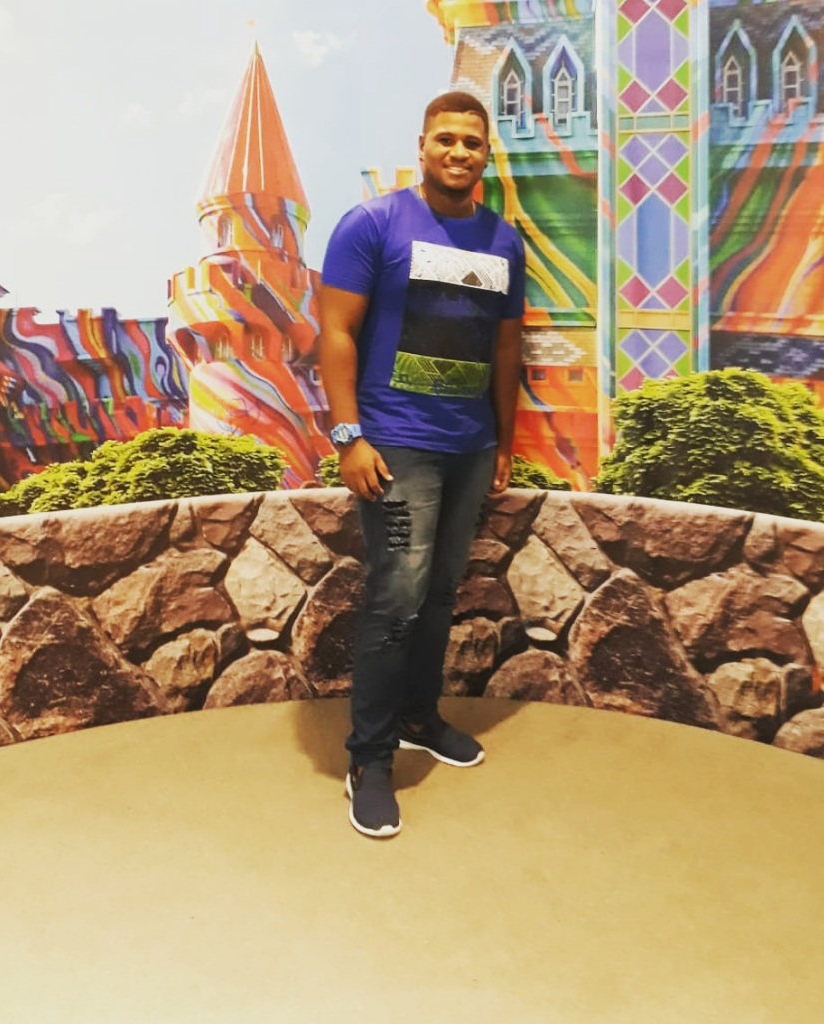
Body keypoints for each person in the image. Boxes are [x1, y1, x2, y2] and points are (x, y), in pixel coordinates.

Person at [318, 91, 525, 838]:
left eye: (472, 141)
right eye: (446, 138)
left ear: (486, 153)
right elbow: (335, 332)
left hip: (469, 445)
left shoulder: (504, 243)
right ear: (423, 145)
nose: (459, 151)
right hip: (396, 444)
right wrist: (348, 436)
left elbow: (506, 347)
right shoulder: (372, 224)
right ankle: (370, 759)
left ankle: (417, 716)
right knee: (396, 597)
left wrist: (504, 441)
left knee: (439, 592)